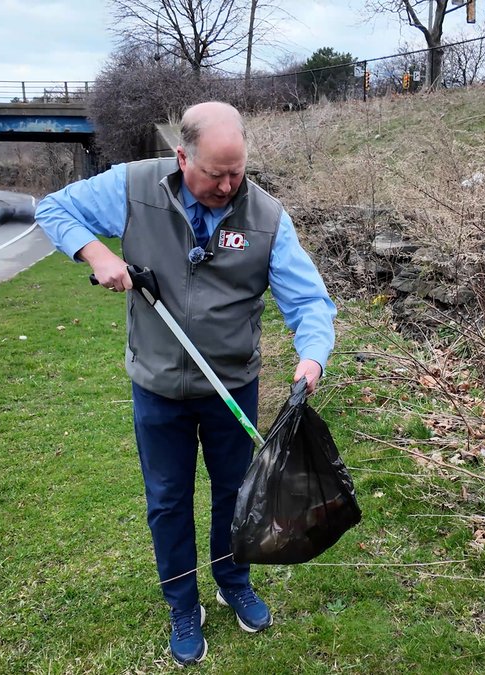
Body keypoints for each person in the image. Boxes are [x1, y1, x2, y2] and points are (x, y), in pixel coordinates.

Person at [35, 101, 336, 665]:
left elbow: (309, 301)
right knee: (168, 500)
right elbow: (53, 209)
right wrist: (96, 252)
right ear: (182, 156)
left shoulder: (267, 217)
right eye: (214, 173)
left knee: (235, 494)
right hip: (157, 387)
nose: (227, 185)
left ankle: (232, 581)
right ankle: (181, 601)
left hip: (231, 385)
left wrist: (311, 358)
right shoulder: (133, 188)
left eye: (237, 171)